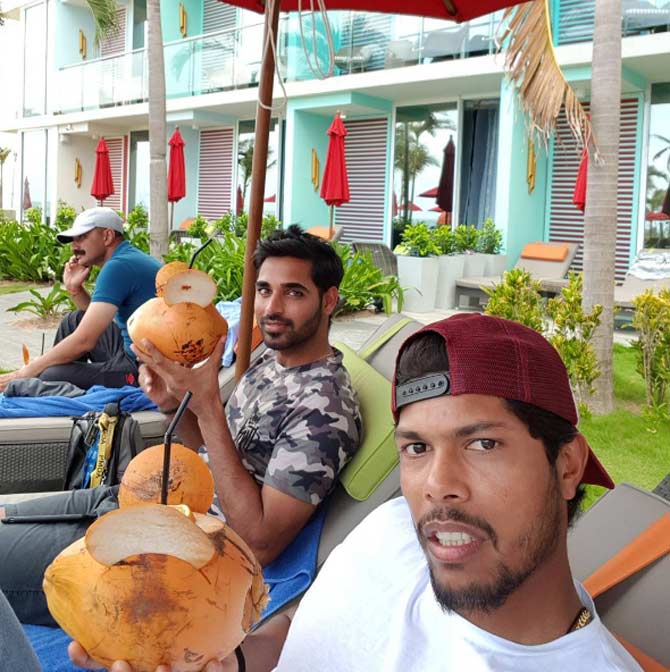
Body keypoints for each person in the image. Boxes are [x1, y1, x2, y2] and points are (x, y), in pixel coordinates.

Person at [73, 312, 641, 672]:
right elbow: (306, 629)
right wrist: (234, 662)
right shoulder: (394, 530)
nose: (439, 486)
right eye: (417, 448)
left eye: (483, 445)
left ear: (567, 466)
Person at [0, 225, 361, 628]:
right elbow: (209, 453)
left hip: (169, 553)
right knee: (4, 514)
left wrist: (207, 407)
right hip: (151, 501)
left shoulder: (324, 407)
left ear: (329, 300)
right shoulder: (271, 360)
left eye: (293, 292)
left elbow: (259, 544)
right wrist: (172, 406)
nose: (272, 307)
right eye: (263, 290)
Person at [0, 207, 161, 391]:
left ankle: (62, 386)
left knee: (50, 375)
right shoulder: (126, 257)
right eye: (73, 240)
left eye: (81, 238)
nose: (74, 246)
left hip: (144, 367)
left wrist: (24, 373)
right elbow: (96, 321)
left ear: (107, 236)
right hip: (131, 347)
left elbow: (85, 340)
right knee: (74, 320)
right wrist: (74, 289)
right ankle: (64, 379)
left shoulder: (118, 267)